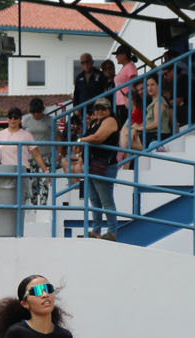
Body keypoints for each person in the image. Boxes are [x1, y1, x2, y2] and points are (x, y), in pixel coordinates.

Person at [76, 98, 120, 239]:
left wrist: (81, 140)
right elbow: (91, 136)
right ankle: (96, 231)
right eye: (97, 108)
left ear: (109, 110)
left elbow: (97, 138)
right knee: (95, 200)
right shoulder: (96, 121)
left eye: (103, 108)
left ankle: (112, 232)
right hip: (93, 164)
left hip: (104, 165)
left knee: (106, 200)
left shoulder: (110, 120)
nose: (100, 111)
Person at [72, 53, 109, 134]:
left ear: (92, 62)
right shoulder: (79, 77)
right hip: (83, 111)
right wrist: (75, 108)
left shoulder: (100, 75)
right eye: (83, 62)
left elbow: (106, 91)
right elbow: (76, 94)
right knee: (84, 132)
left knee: (96, 131)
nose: (85, 64)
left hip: (97, 110)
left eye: (87, 61)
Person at [112, 45, 137, 126]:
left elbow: (134, 84)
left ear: (124, 55)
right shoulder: (125, 67)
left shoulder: (130, 67)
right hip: (121, 103)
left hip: (126, 103)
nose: (116, 57)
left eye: (118, 54)